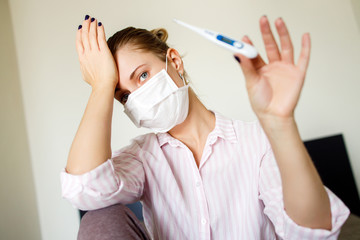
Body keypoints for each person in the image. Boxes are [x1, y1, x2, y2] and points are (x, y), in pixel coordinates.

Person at [61, 14, 350, 239]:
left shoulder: (255, 143)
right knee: (97, 219)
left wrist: (281, 123)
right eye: (123, 95)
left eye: (143, 75)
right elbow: (84, 189)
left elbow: (313, 232)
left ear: (174, 60)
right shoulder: (143, 158)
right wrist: (101, 86)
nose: (136, 95)